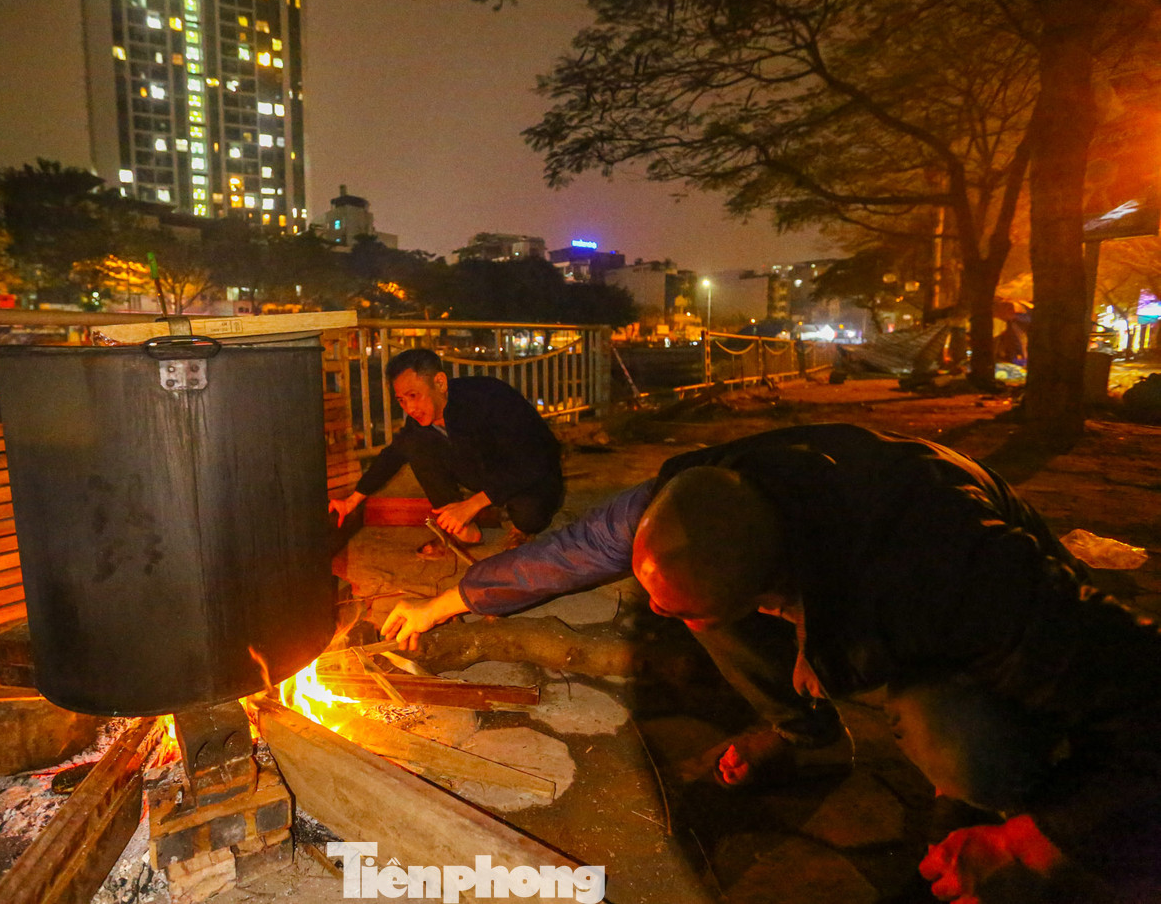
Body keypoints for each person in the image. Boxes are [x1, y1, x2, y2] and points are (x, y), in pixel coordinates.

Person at [380, 423, 1161, 902]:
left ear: (773, 594)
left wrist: (1033, 839)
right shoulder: (690, 499)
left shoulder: (956, 572)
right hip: (820, 577)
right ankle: (806, 735)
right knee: (695, 616)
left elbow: (1145, 694)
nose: (649, 610)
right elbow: (565, 555)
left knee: (947, 727)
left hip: (950, 596)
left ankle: (1000, 798)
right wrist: (445, 601)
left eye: (682, 602)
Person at [329, 348, 564, 557]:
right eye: (401, 400)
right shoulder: (423, 419)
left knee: (529, 515)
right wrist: (352, 501)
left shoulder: (490, 398)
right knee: (414, 445)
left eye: (414, 396)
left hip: (532, 475)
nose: (410, 408)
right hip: (485, 474)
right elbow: (394, 454)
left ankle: (521, 531)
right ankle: (460, 530)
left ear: (440, 383)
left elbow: (534, 461)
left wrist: (473, 504)